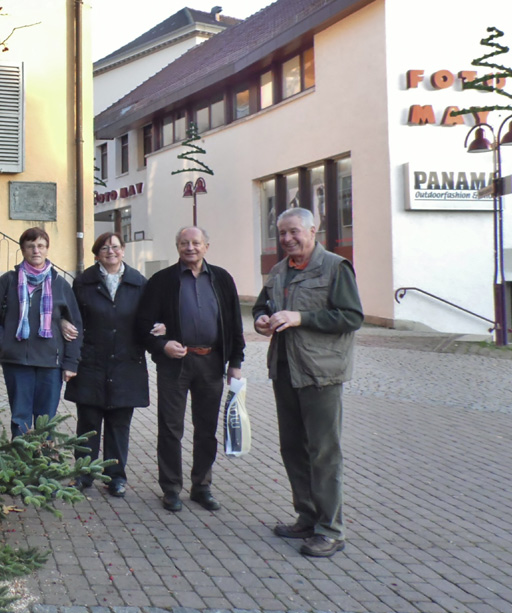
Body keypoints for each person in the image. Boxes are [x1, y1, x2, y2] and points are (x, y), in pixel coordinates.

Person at [253, 207, 362, 559]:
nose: (287, 239)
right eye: (282, 232)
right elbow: (260, 306)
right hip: (285, 369)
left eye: (294, 232)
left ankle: (330, 529)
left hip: (320, 372)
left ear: (313, 230)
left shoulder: (334, 267)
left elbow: (350, 316)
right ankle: (307, 516)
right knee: (292, 448)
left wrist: (301, 317)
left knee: (324, 452)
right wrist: (261, 319)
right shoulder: (278, 270)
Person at [138, 226, 244, 513]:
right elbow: (142, 325)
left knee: (207, 428)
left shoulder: (222, 279)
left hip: (211, 362)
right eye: (184, 243)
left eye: (196, 243)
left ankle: (202, 486)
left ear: (206, 246)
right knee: (171, 428)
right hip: (175, 364)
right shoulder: (162, 281)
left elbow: (235, 323)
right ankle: (171, 488)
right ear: (177, 247)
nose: (190, 248)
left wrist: (235, 362)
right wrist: (162, 346)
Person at [61, 232, 151, 497]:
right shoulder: (83, 282)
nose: (110, 251)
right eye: (104, 248)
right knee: (88, 422)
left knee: (119, 424)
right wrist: (62, 323)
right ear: (96, 253)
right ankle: (83, 474)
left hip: (127, 363)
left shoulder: (139, 283)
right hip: (91, 363)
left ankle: (116, 477)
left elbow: (149, 319)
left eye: (115, 247)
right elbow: (70, 316)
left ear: (123, 250)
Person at [0, 228, 82, 439]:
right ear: (23, 250)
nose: (36, 250)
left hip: (50, 363)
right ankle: (22, 466)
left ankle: (44, 468)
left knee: (46, 420)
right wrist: (4, 341)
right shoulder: (8, 281)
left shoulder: (60, 284)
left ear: (47, 249)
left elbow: (75, 326)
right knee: (20, 417)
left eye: (41, 246)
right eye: (30, 246)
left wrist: (71, 363)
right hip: (17, 361)